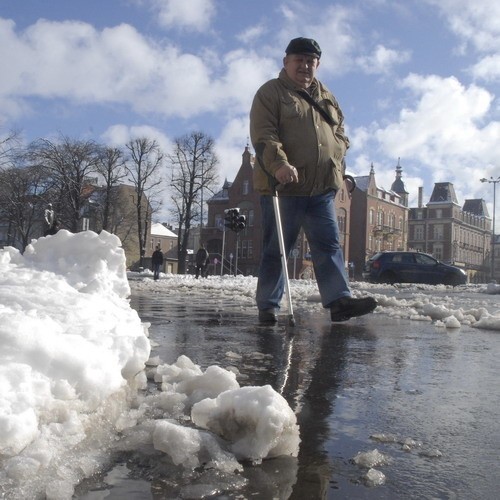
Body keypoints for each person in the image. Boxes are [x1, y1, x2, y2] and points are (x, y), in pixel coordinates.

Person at [250, 37, 377, 324]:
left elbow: (340, 134)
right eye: (299, 60)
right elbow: (264, 134)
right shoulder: (271, 93)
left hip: (321, 189)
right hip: (285, 187)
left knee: (329, 245)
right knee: (277, 249)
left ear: (317, 64)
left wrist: (338, 163)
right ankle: (268, 306)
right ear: (286, 62)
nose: (305, 66)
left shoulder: (327, 96)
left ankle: (339, 301)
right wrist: (280, 164)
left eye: (311, 61)